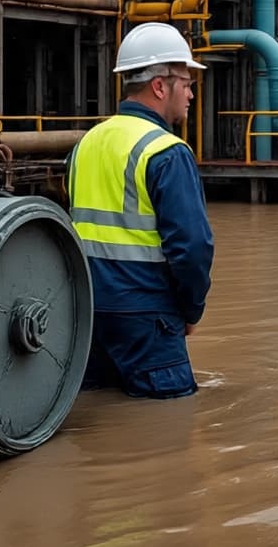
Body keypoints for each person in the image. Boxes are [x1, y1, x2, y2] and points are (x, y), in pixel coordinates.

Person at [68, 22, 213, 398]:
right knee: (169, 417)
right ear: (160, 86)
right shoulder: (166, 151)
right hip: (147, 318)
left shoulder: (85, 144)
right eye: (187, 83)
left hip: (87, 315)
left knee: (97, 413)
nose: (191, 94)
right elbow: (192, 247)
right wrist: (191, 310)